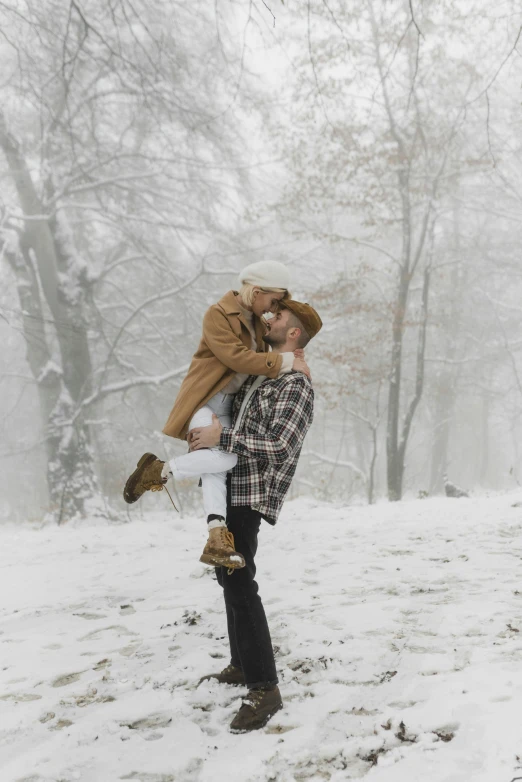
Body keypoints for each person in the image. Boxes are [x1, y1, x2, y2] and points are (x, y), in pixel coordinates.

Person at [122, 261, 309, 570]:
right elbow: (237, 358)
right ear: (257, 291)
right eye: (273, 301)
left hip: (229, 407)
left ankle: (216, 539)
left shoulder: (259, 322)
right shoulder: (217, 315)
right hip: (205, 401)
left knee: (216, 470)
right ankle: (160, 470)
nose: (273, 309)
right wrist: (287, 361)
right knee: (227, 459)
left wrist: (296, 359)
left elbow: (275, 352)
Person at [191, 299, 322, 733]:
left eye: (279, 317)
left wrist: (220, 435)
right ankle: (243, 664)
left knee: (240, 581)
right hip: (228, 486)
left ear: (295, 333)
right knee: (226, 577)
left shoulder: (296, 388)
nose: (271, 319)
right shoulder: (268, 377)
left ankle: (265, 687)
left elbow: (280, 445)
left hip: (250, 493)